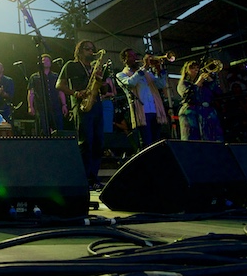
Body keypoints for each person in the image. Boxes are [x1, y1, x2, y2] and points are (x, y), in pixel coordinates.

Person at [56, 40, 104, 188]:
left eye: (92, 49)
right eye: (87, 49)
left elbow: (104, 89)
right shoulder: (71, 65)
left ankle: (94, 178)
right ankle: (84, 178)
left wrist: (100, 79)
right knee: (85, 142)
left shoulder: (94, 67)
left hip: (96, 105)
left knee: (98, 142)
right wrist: (75, 93)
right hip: (81, 106)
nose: (91, 51)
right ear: (79, 50)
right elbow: (59, 85)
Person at [115, 49, 169, 148]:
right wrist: (145, 67)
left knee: (157, 144)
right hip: (142, 113)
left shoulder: (146, 73)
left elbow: (160, 84)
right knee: (147, 144)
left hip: (155, 111)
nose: (135, 58)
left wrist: (159, 70)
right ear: (124, 60)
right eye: (131, 56)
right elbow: (130, 83)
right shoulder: (121, 75)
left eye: (135, 55)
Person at [177, 60, 224, 142]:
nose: (196, 69)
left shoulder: (206, 84)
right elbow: (187, 95)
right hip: (191, 113)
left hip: (207, 113)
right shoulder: (183, 83)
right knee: (193, 138)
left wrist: (210, 80)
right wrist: (198, 82)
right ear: (187, 71)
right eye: (192, 68)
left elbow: (218, 93)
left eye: (197, 67)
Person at [27, 54, 67, 136]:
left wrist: (64, 105)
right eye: (43, 60)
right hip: (41, 107)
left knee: (59, 128)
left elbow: (60, 91)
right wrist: (30, 106)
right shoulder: (34, 77)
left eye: (47, 60)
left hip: (55, 106)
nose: (45, 62)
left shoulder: (56, 76)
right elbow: (31, 92)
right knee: (43, 129)